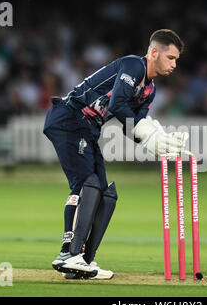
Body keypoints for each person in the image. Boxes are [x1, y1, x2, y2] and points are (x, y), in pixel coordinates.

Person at [43, 29, 188, 280]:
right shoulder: (134, 65)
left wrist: (156, 139)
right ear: (154, 52)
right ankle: (69, 254)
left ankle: (83, 262)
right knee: (86, 183)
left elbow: (131, 126)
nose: (174, 64)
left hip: (87, 128)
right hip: (69, 117)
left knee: (105, 191)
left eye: (176, 60)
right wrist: (146, 132)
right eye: (171, 58)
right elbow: (117, 105)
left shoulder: (149, 89)